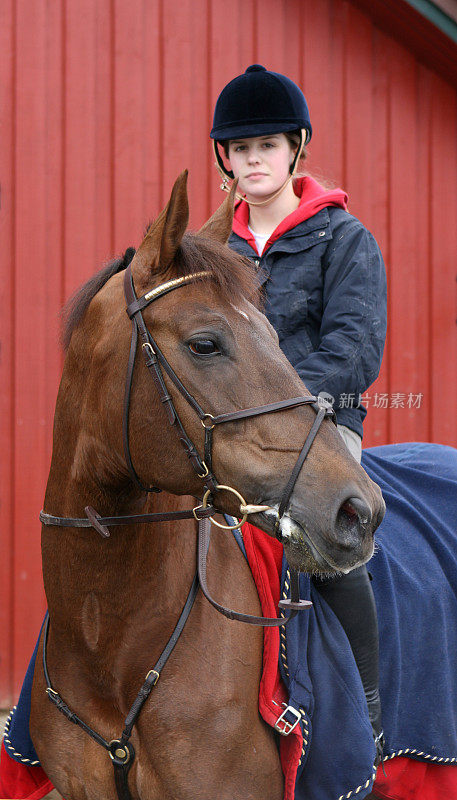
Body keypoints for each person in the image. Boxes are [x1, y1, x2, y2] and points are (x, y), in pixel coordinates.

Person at [210, 64, 387, 762]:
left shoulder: (344, 240)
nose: (253, 158)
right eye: (240, 147)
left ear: (296, 149)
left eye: (267, 145)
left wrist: (274, 411)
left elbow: (355, 348)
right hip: (226, 433)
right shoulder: (211, 250)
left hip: (321, 420)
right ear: (223, 155)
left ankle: (369, 712)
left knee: (333, 548)